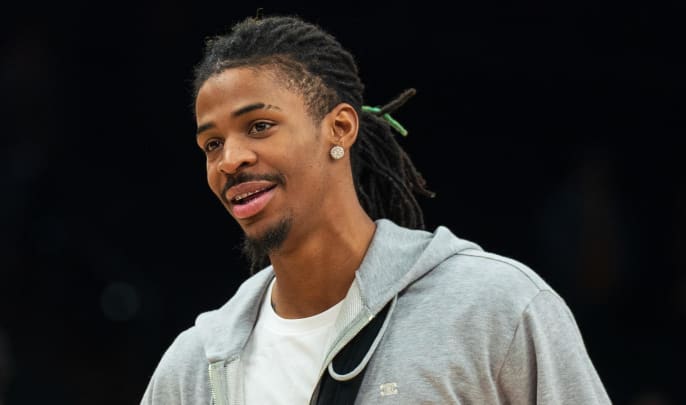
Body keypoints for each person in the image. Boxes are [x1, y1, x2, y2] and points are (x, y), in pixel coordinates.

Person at [141, 12, 612, 405]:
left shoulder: (493, 308)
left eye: (260, 126)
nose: (230, 159)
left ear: (340, 129)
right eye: (211, 143)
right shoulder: (193, 371)